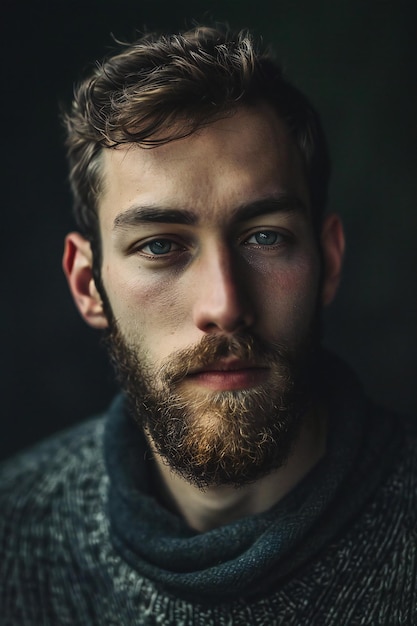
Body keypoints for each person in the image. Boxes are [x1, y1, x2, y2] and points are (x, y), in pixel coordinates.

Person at [0, 25, 415, 625]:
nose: (223, 305)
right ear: (89, 285)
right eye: (161, 246)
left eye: (265, 237)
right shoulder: (12, 533)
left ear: (327, 261)